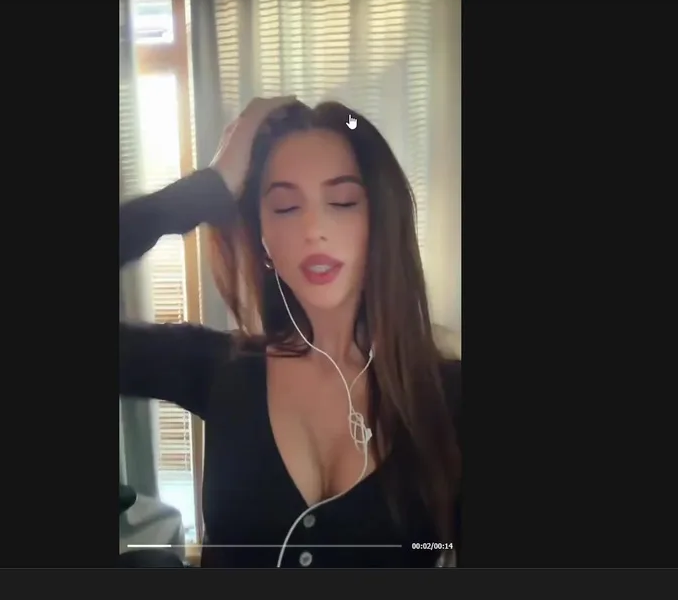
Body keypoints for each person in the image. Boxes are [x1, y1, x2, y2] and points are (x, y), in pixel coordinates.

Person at [119, 98, 460, 569]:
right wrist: (207, 189)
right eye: (284, 207)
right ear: (263, 241)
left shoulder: (448, 398)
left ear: (381, 221)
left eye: (342, 202)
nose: (313, 228)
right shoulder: (221, 369)